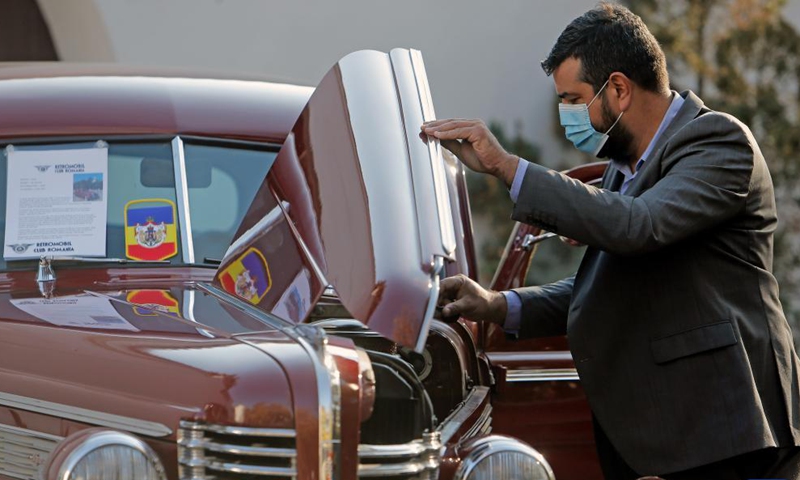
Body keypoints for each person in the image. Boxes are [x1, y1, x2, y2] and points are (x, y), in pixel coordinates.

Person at [422, 3, 800, 479]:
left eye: (573, 99)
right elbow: (604, 284)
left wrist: (507, 166)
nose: (566, 115)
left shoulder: (718, 142)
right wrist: (498, 304)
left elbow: (637, 226)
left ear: (618, 88)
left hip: (727, 439)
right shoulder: (625, 171)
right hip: (672, 441)